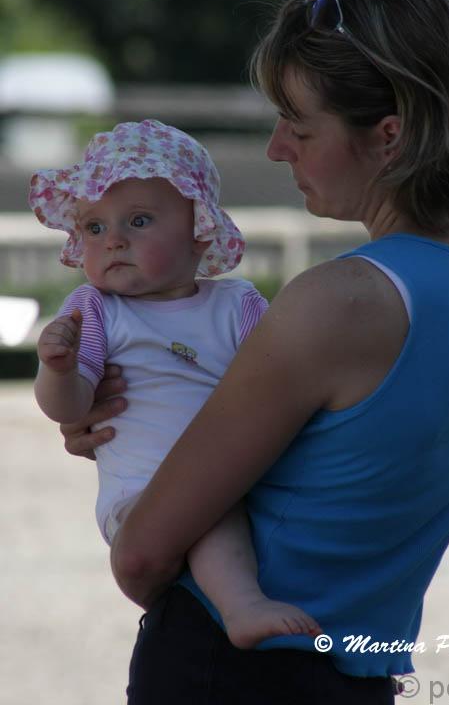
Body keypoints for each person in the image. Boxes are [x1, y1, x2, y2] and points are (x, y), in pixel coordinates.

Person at [61, 0, 449, 705]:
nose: (278, 148)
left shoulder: (339, 302)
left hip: (234, 667)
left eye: (300, 125)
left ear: (388, 136)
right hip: (364, 668)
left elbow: (143, 555)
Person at [29, 118, 321, 650]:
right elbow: (70, 410)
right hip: (139, 493)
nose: (114, 240)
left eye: (138, 221)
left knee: (221, 512)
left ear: (199, 230)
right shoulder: (95, 310)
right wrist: (59, 369)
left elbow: (284, 382)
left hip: (232, 477)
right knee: (209, 516)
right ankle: (242, 607)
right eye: (94, 228)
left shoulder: (236, 305)